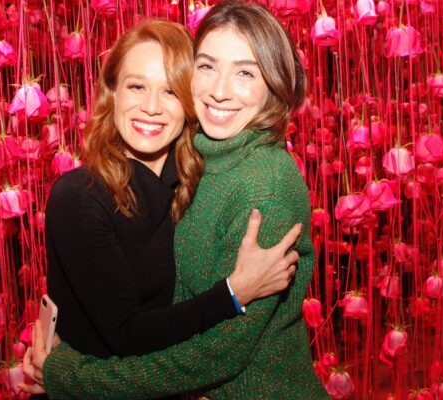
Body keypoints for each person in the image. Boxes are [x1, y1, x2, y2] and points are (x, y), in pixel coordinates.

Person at [21, 18, 306, 398]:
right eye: (137, 86)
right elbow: (127, 334)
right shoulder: (80, 196)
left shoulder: (198, 181)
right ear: (112, 93)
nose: (151, 107)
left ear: (189, 100)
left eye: (170, 91)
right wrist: (233, 293)